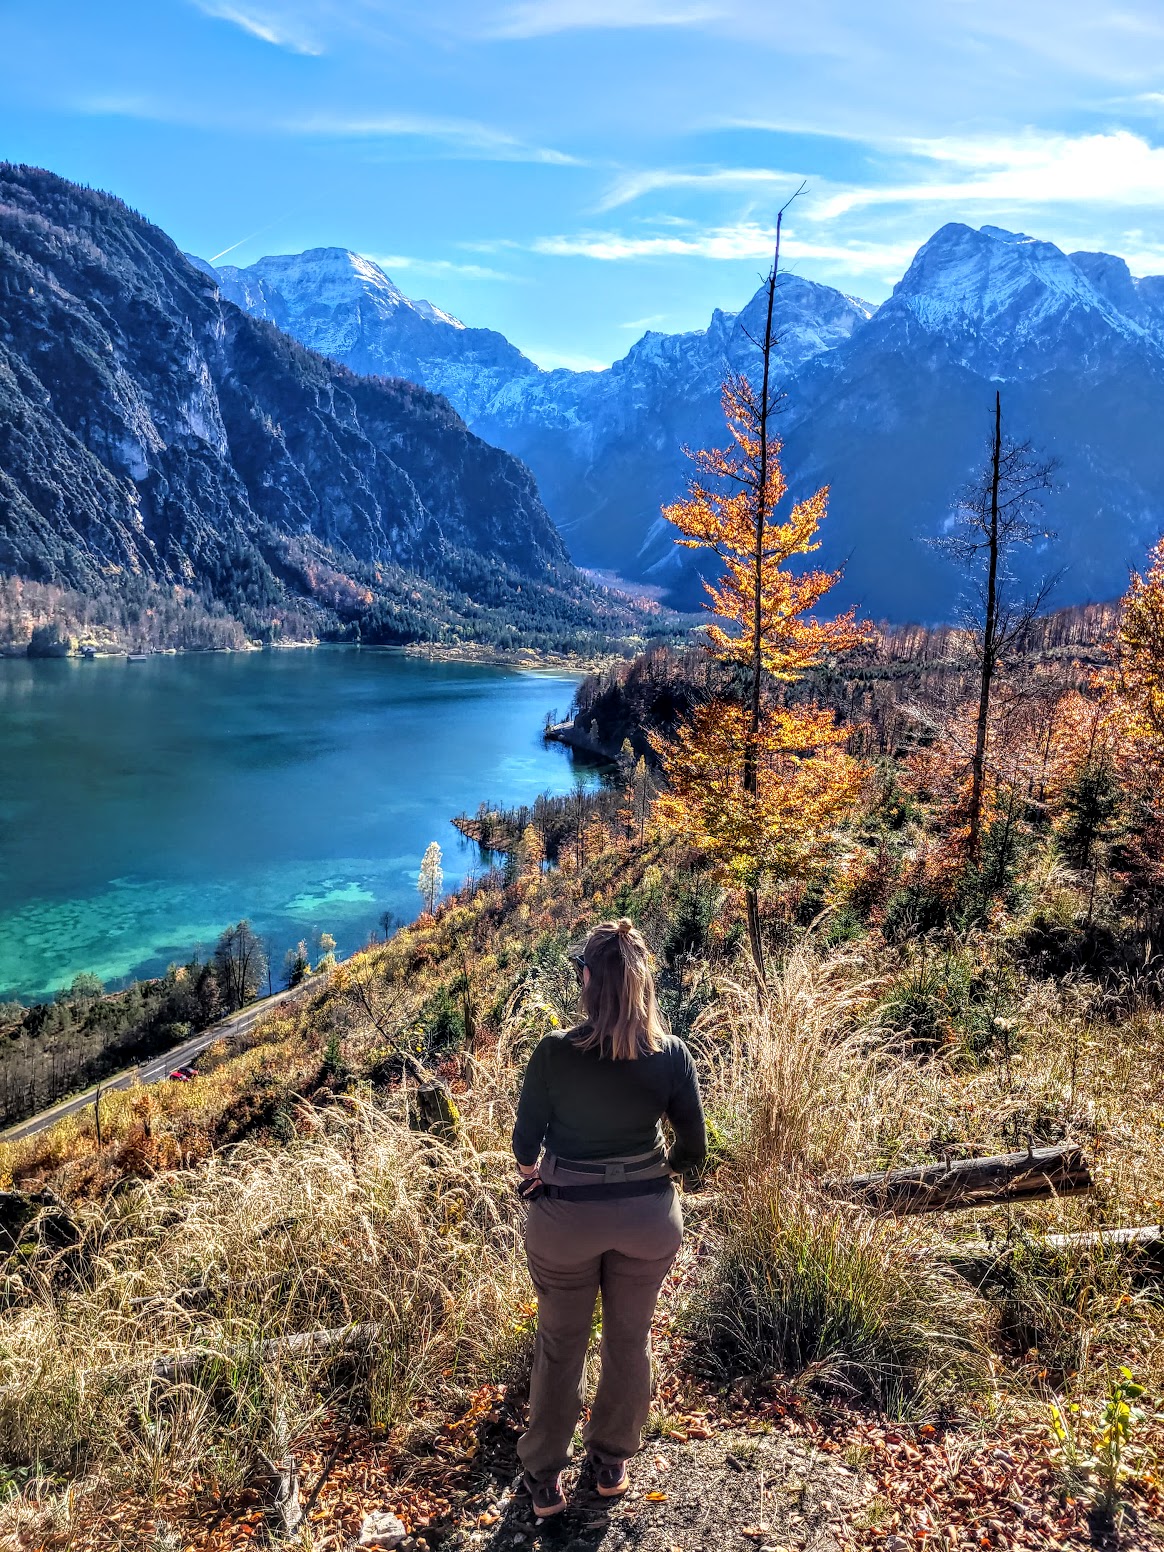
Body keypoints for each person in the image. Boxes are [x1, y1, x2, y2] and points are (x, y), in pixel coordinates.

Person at [511, 917, 707, 1518]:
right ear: (643, 984)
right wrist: (657, 1173)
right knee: (629, 1338)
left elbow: (524, 1146)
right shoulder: (671, 1056)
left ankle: (545, 1475)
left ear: (588, 980)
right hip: (647, 1221)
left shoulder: (554, 1053)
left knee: (560, 1343)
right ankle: (611, 1462)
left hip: (566, 1222)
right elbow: (693, 1150)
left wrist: (538, 1174)